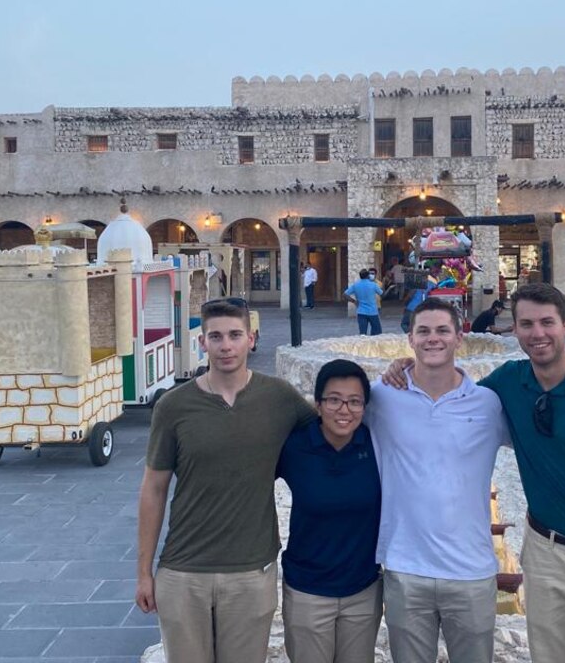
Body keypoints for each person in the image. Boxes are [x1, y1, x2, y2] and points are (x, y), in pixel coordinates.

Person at [381, 284, 565, 662]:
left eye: (547, 322)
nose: (537, 333)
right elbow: (456, 403)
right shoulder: (507, 385)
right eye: (527, 324)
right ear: (514, 330)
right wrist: (404, 369)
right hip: (545, 554)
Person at [135, 299, 317, 663]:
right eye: (215, 337)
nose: (226, 346)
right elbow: (154, 489)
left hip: (251, 572)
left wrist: (399, 378)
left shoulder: (279, 398)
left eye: (235, 335)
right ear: (202, 342)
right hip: (184, 571)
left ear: (251, 338)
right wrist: (143, 572)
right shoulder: (174, 406)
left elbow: (337, 419)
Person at [369, 297, 508, 663]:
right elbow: (331, 412)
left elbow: (546, 435)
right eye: (424, 331)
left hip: (471, 570)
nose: (434, 339)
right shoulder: (381, 397)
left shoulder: (488, 404)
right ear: (410, 339)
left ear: (460, 337)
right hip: (405, 566)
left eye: (443, 330)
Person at [277, 359, 382, 663]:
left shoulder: (377, 445)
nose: (344, 410)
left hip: (363, 589)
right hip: (307, 591)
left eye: (354, 401)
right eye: (334, 400)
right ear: (318, 404)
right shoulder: (295, 447)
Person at [345, 269, 383, 335]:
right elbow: (381, 293)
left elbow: (345, 294)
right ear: (368, 276)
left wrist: (354, 301)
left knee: (363, 333)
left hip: (361, 311)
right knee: (377, 332)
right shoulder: (373, 285)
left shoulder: (356, 285)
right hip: (373, 311)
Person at [399, 267, 437, 334]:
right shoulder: (432, 284)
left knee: (404, 324)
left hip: (412, 307)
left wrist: (404, 303)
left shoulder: (416, 284)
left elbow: (409, 296)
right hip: (423, 308)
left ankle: (412, 334)